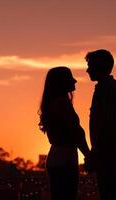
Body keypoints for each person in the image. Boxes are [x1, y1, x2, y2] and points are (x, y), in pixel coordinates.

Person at [39, 66, 91, 200]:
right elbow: (77, 133)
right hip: (64, 160)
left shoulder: (55, 104)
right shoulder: (61, 104)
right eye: (70, 78)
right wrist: (88, 155)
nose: (75, 81)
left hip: (59, 158)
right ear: (61, 82)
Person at [85, 49, 116, 200]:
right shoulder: (109, 87)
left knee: (108, 193)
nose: (87, 70)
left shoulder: (107, 89)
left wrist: (95, 153)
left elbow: (104, 124)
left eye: (90, 66)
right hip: (109, 151)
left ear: (99, 66)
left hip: (108, 152)